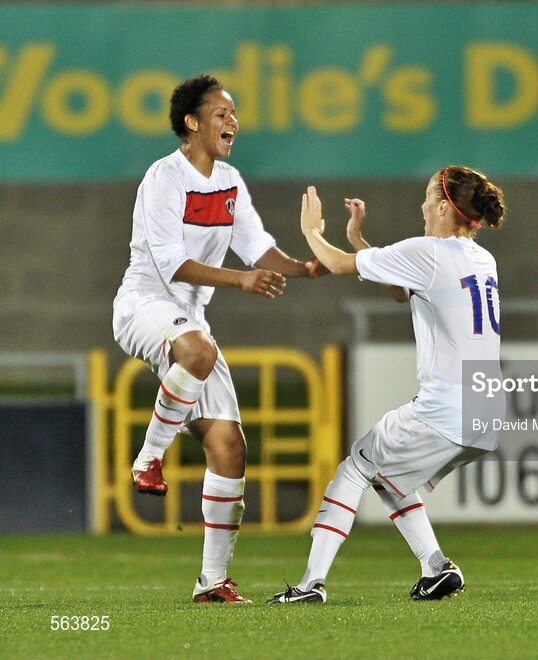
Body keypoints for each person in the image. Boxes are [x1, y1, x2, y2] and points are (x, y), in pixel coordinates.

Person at [112, 74, 328, 603]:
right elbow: (170, 264)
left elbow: (258, 250)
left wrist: (309, 265)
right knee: (199, 351)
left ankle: (212, 582)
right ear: (192, 122)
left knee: (229, 448)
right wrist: (240, 280)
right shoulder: (164, 177)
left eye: (234, 114)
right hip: (144, 303)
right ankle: (149, 458)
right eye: (221, 113)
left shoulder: (229, 180)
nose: (232, 121)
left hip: (189, 322)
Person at [268, 166, 507, 604]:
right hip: (487, 412)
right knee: (389, 475)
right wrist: (360, 239)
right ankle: (436, 567)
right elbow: (402, 289)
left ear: (441, 205)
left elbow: (337, 264)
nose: (420, 204)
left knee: (356, 466)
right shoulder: (481, 259)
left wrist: (310, 231)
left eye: (426, 195)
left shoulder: (430, 251)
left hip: (447, 407)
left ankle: (310, 585)